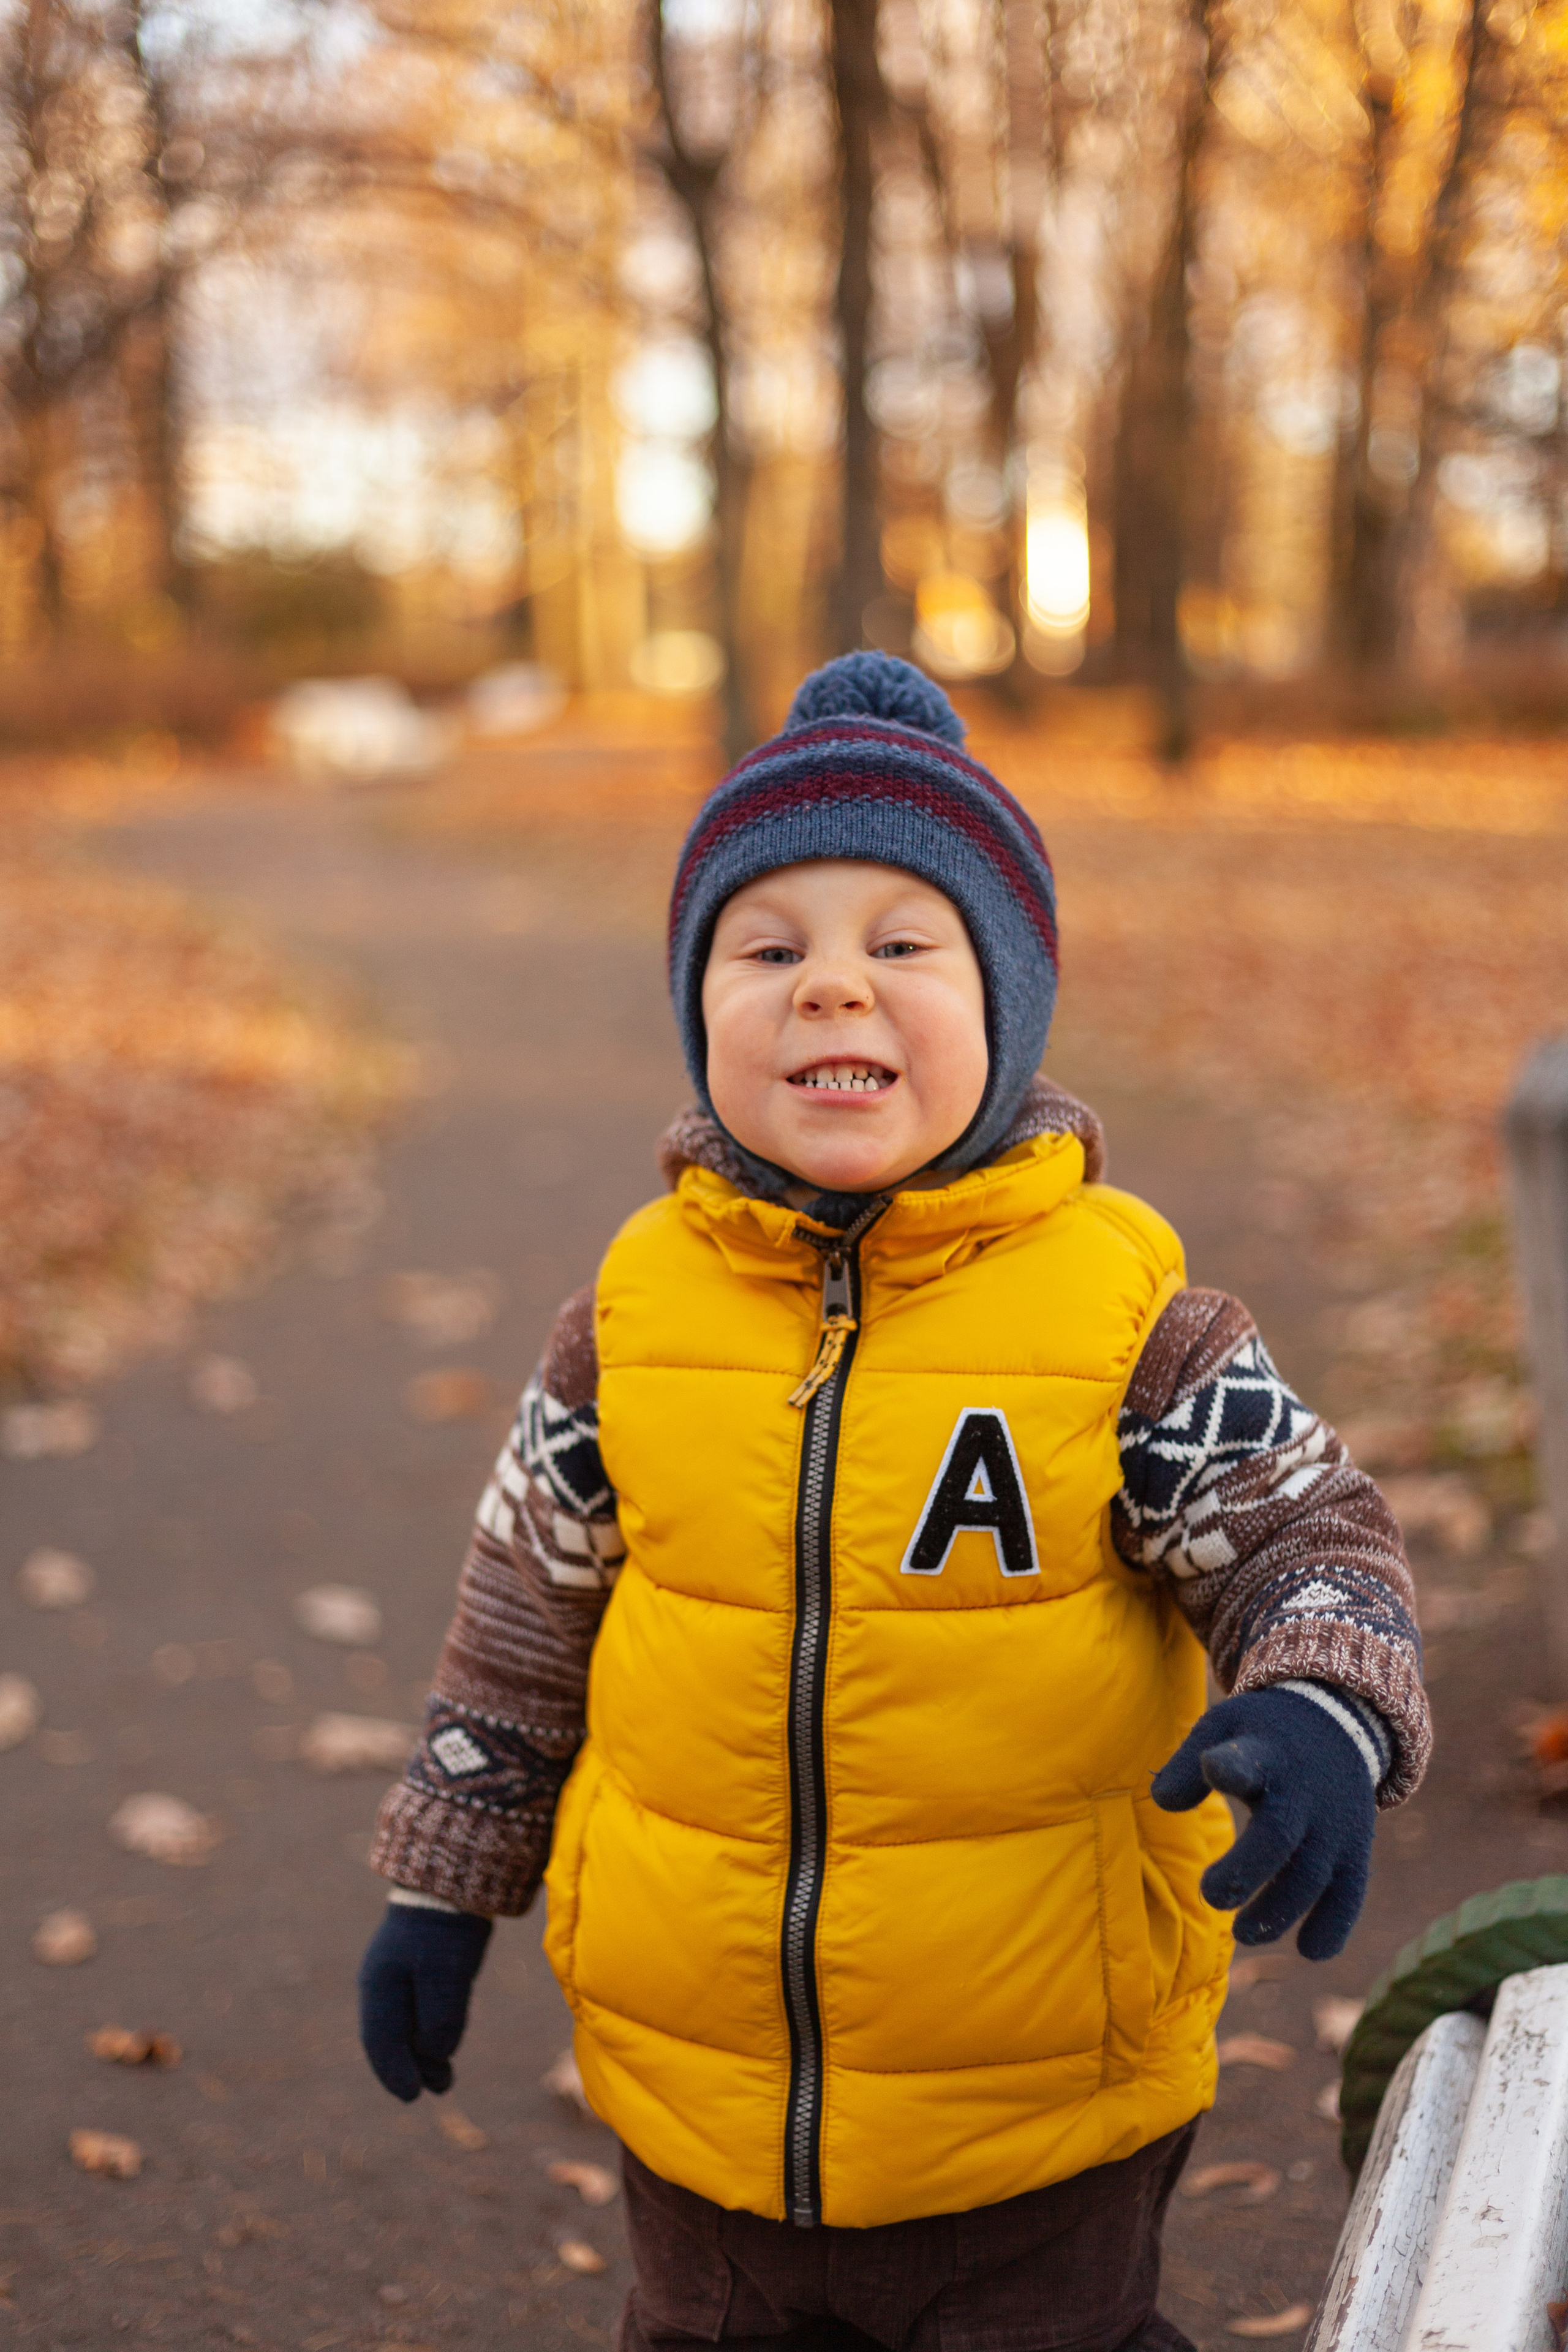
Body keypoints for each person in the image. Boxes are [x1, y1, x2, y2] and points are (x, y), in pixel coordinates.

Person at [357, 654, 1428, 2352]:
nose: (832, 989)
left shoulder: (1131, 1327)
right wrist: (443, 1882)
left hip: (1037, 2117)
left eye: (902, 946)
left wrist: (1321, 1705)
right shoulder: (630, 1320)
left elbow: (1313, 1534)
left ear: (1008, 1005)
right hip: (697, 2099)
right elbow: (522, 1618)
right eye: (766, 948)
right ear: (697, 1010)